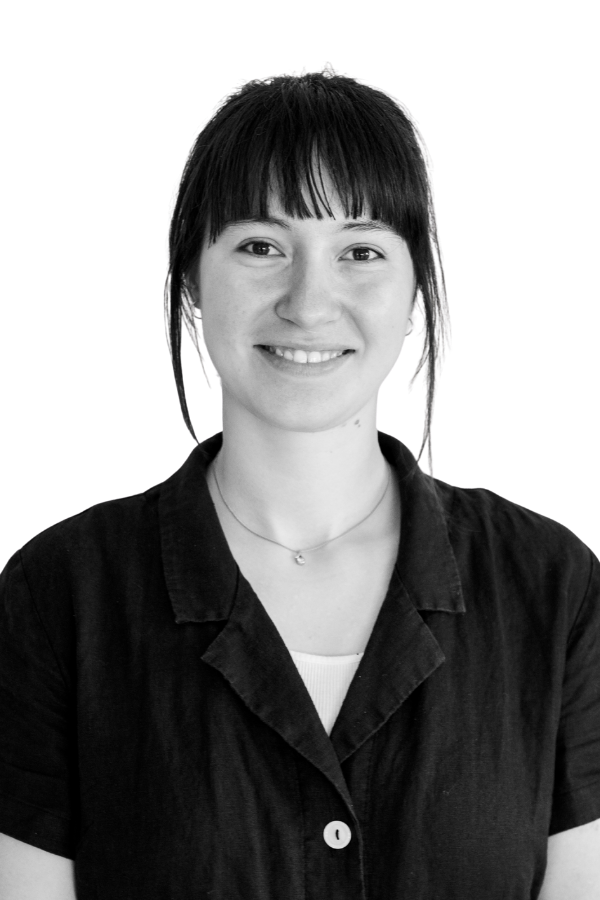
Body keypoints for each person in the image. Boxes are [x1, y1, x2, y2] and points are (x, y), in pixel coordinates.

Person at [1, 65, 599, 899]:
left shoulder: (553, 583)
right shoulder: (58, 596)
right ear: (188, 291)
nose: (309, 303)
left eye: (360, 250)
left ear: (416, 300)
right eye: (260, 247)